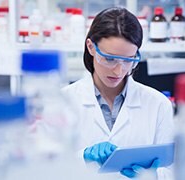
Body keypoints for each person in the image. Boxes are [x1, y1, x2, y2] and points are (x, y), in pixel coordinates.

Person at [62, 7, 174, 179]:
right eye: (109, 59)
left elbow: (172, 171)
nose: (118, 71)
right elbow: (45, 167)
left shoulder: (158, 104)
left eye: (128, 60)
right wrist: (82, 157)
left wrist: (152, 175)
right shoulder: (64, 101)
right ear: (91, 47)